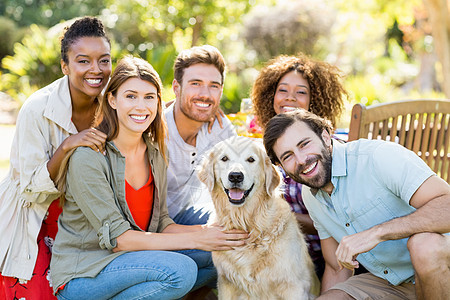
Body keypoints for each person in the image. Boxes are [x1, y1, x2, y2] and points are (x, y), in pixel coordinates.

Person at [50, 55, 248, 300]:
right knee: (180, 270)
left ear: (158, 103)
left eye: (149, 97)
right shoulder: (89, 157)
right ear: (112, 100)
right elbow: (119, 240)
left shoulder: (154, 151)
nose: (141, 107)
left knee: (221, 252)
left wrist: (211, 232)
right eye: (130, 96)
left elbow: (162, 223)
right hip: (86, 272)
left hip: (135, 260)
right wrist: (199, 237)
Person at [263, 109, 450, 300]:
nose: (301, 160)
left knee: (425, 245)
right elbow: (336, 268)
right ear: (281, 166)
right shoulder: (310, 195)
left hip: (443, 270)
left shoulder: (377, 157)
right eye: (288, 156)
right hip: (391, 283)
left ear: (325, 137)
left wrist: (377, 233)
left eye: (304, 144)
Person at [0, 17, 110, 299]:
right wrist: (67, 146)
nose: (95, 70)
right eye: (83, 61)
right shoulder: (37, 109)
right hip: (34, 217)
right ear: (65, 66)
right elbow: (30, 189)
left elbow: (147, 111)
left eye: (104, 60)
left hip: (85, 218)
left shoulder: (114, 103)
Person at [251, 53, 348, 279]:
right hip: (278, 253)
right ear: (271, 96)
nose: (290, 97)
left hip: (323, 258)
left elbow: (339, 223)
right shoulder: (264, 147)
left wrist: (277, 217)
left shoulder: (323, 151)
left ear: (315, 99)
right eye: (283, 90)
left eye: (301, 92)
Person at [165, 45, 236, 225]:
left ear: (220, 91)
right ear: (176, 87)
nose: (205, 95)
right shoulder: (154, 131)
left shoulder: (219, 127)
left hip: (190, 217)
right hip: (152, 231)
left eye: (213, 86)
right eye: (195, 83)